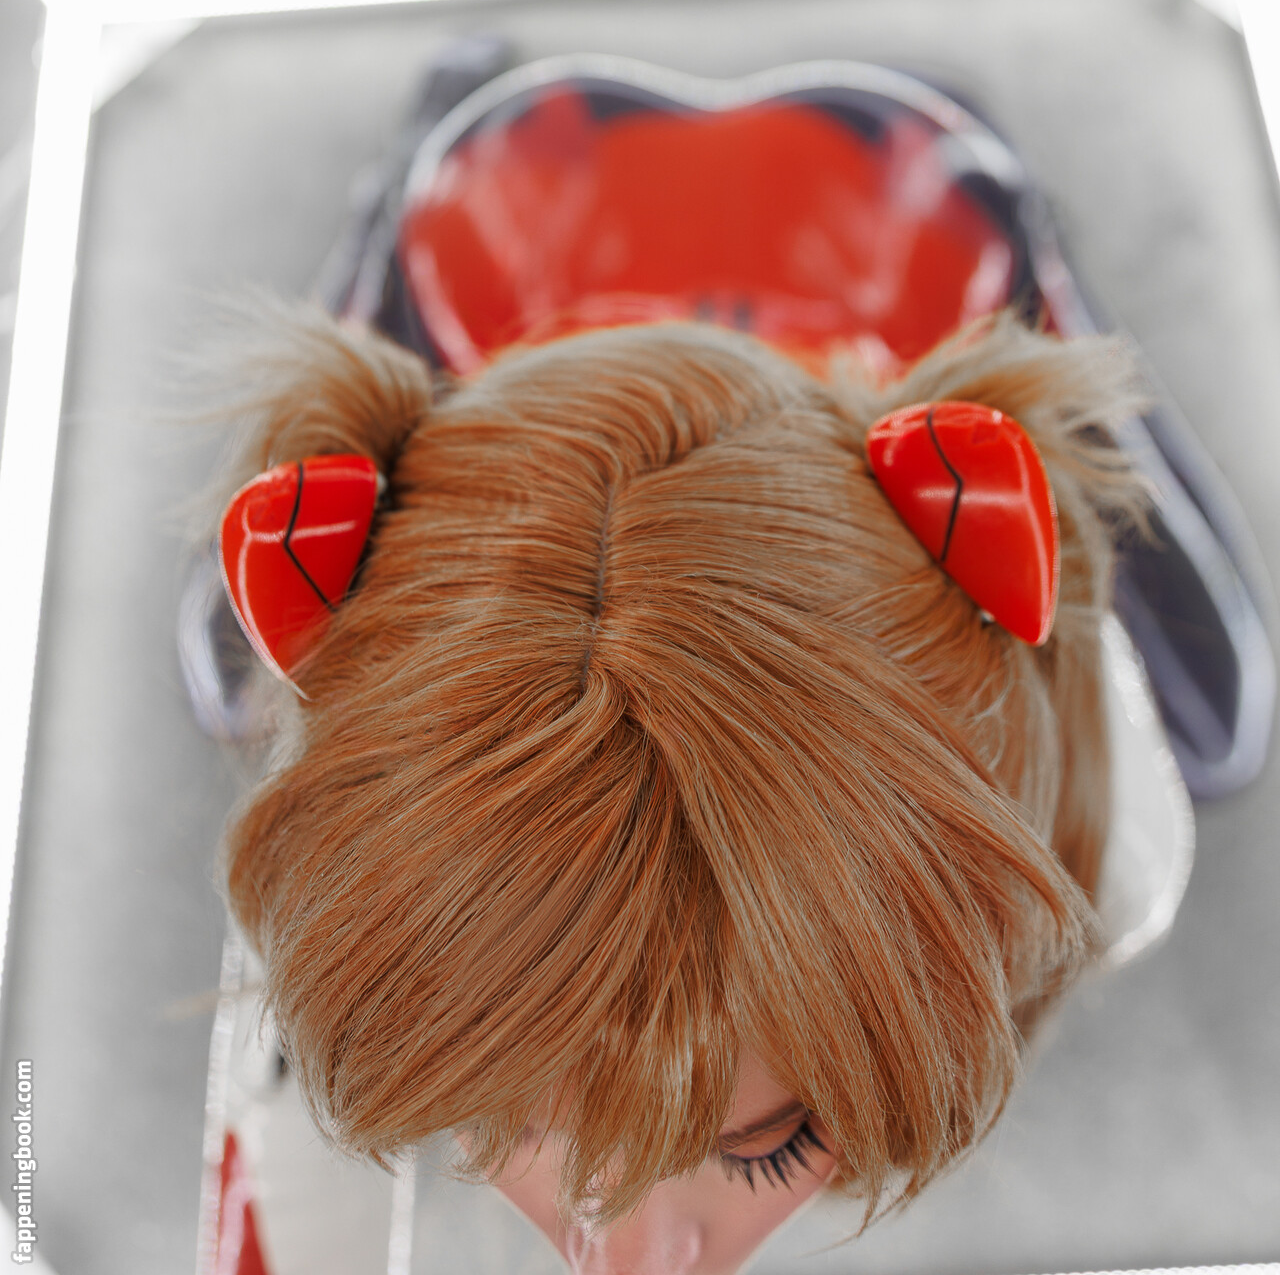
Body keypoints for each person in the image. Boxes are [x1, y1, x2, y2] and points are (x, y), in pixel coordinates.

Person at [211, 294, 1144, 1275]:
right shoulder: (355, 873)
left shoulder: (1112, 854)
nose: (632, 1261)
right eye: (501, 1121)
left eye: (770, 1148)